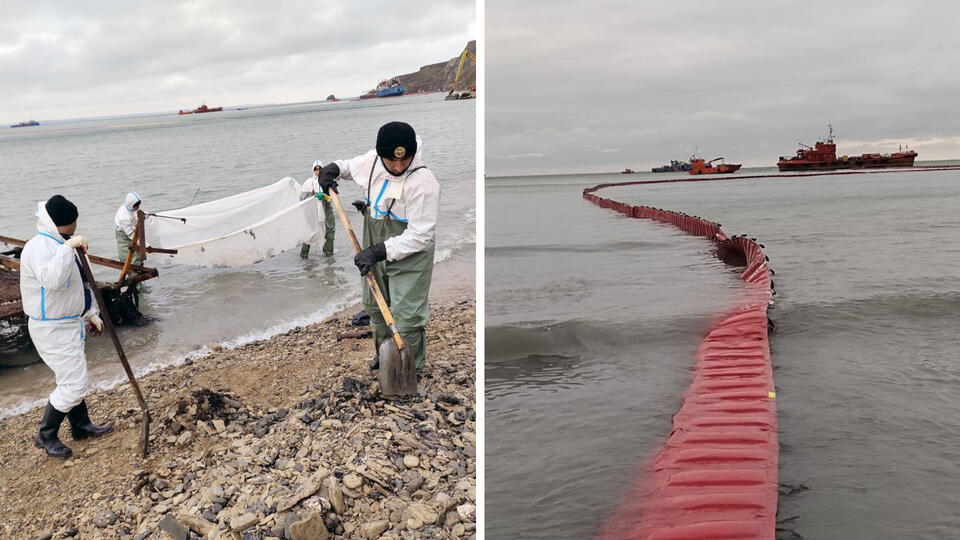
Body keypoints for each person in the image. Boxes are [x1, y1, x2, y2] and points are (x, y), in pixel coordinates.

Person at [317, 121, 440, 371]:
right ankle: (386, 356)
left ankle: (409, 367)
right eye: (391, 160)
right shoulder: (371, 162)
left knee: (407, 316)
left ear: (412, 153)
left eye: (404, 160)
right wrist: (332, 170)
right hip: (375, 239)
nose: (398, 166)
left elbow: (420, 235)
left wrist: (378, 251)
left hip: (411, 251)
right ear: (380, 154)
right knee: (375, 305)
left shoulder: (424, 183)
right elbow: (348, 167)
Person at [20, 195, 113, 458]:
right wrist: (67, 247)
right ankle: (45, 435)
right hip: (50, 328)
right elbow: (53, 281)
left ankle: (81, 425)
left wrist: (91, 312)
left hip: (71, 323)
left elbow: (83, 283)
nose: (75, 225)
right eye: (73, 222)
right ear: (64, 223)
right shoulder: (39, 247)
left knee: (72, 377)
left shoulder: (61, 243)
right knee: (74, 383)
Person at [299, 160, 336, 258]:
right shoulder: (309, 182)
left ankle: (329, 254)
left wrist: (325, 196)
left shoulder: (328, 181)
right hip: (313, 209)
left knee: (330, 229)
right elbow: (302, 197)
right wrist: (312, 196)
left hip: (327, 208)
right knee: (310, 231)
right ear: (313, 170)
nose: (318, 171)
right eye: (316, 169)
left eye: (320, 169)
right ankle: (303, 254)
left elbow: (335, 198)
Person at [114, 191, 143, 265]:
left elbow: (135, 214)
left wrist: (146, 215)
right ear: (132, 205)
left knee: (136, 253)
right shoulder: (124, 217)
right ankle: (133, 270)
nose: (138, 207)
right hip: (123, 234)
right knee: (128, 253)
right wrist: (145, 245)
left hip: (127, 229)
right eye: (137, 206)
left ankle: (138, 266)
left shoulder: (129, 206)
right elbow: (132, 236)